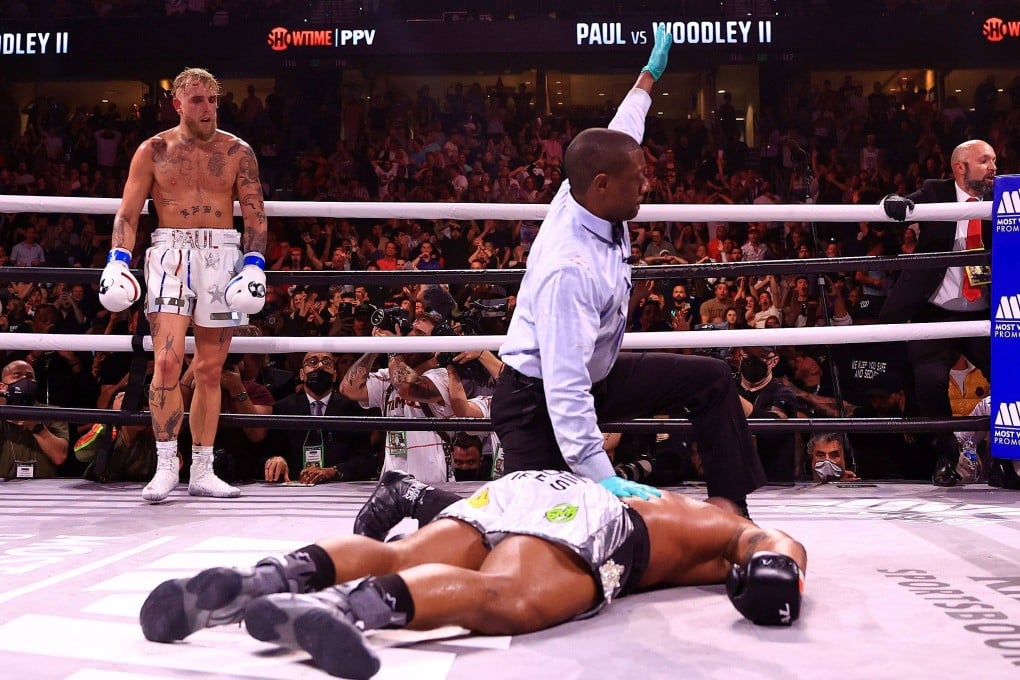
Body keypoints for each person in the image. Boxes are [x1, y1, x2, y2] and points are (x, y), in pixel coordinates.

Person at [139, 470, 807, 679]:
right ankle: (350, 608)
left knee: (406, 554)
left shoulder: (686, 528)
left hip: (518, 487)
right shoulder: (698, 517)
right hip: (586, 514)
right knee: (507, 595)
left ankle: (266, 579)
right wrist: (779, 568)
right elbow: (771, 537)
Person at [490, 27, 766, 513]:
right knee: (550, 531)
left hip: (596, 378)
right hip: (537, 406)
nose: (646, 185)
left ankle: (731, 509)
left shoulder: (586, 192)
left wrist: (649, 76)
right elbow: (564, 386)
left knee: (712, 378)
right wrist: (603, 477)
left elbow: (623, 131)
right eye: (637, 179)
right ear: (601, 184)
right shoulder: (569, 267)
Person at [97, 67, 267, 502]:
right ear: (178, 103)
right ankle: (166, 464)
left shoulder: (237, 151)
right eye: (196, 100)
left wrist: (253, 265)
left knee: (210, 370)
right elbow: (128, 214)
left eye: (212, 100)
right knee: (168, 365)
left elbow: (254, 216)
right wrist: (118, 260)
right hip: (169, 256)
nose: (207, 108)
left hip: (223, 256)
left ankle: (203, 469)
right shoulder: (152, 150)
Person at [880, 139, 994, 486]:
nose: (993, 167)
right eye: (984, 161)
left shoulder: (1002, 195)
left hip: (984, 313)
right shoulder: (936, 190)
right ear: (960, 168)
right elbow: (899, 203)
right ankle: (946, 455)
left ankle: (1006, 458)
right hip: (938, 310)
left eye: (994, 160)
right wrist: (896, 204)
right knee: (928, 383)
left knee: (1011, 377)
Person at [339, 313, 454, 483]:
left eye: (420, 334)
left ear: (436, 348)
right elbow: (349, 389)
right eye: (412, 330)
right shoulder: (389, 378)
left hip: (433, 482)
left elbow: (406, 388)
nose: (411, 337)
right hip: (392, 482)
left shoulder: (444, 378)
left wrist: (393, 348)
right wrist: (374, 349)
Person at [267, 351, 376, 484]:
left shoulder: (352, 408)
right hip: (293, 484)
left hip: (339, 487)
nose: (319, 366)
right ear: (302, 374)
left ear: (335, 375)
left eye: (326, 363)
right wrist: (275, 459)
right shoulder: (283, 408)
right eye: (313, 362)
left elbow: (365, 459)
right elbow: (268, 452)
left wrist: (333, 471)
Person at [0, 360, 70, 479]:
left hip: (44, 489)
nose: (25, 380)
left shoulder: (53, 412)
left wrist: (36, 426)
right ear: (2, 386)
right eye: (17, 376)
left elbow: (59, 457)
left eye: (29, 377)